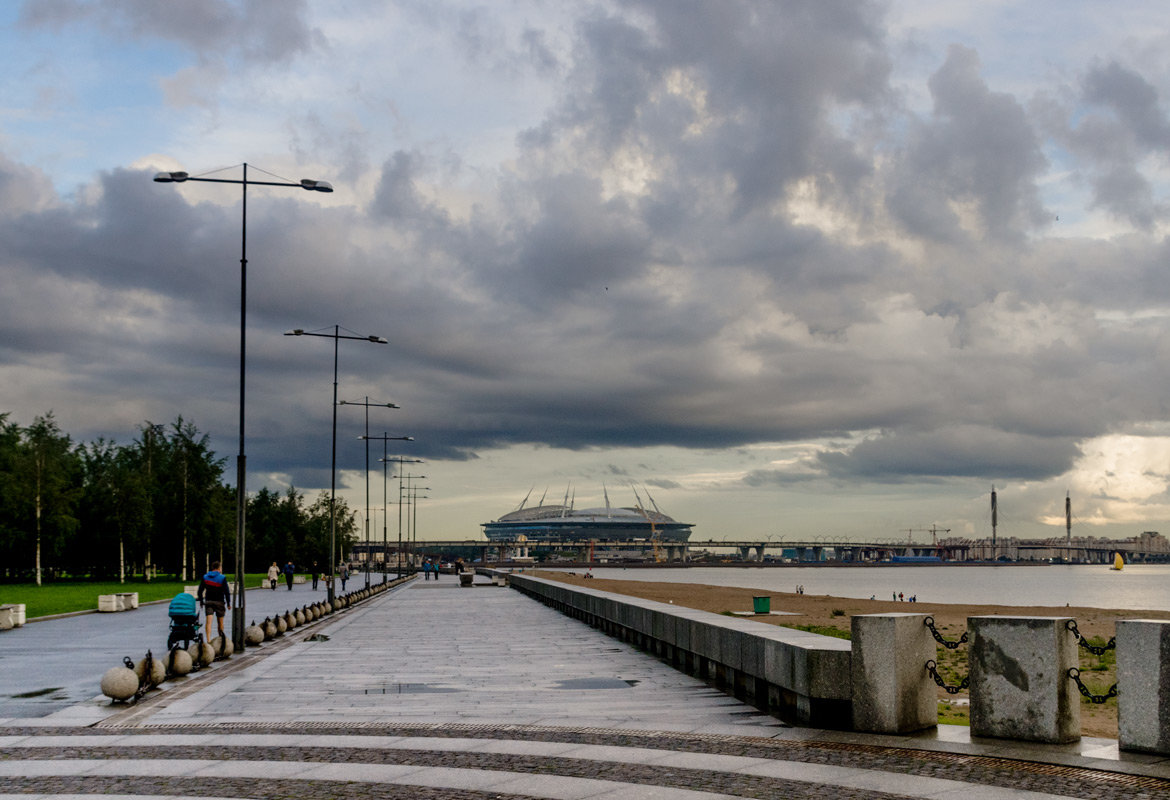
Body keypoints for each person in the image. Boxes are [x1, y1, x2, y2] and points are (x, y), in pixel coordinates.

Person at [196, 560, 231, 643]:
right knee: (220, 623)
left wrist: (201, 601)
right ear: (219, 568)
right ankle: (221, 640)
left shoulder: (205, 577)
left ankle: (208, 641)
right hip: (219, 602)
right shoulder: (222, 578)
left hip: (208, 602)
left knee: (208, 622)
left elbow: (200, 591)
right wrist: (229, 603)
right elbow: (226, 592)